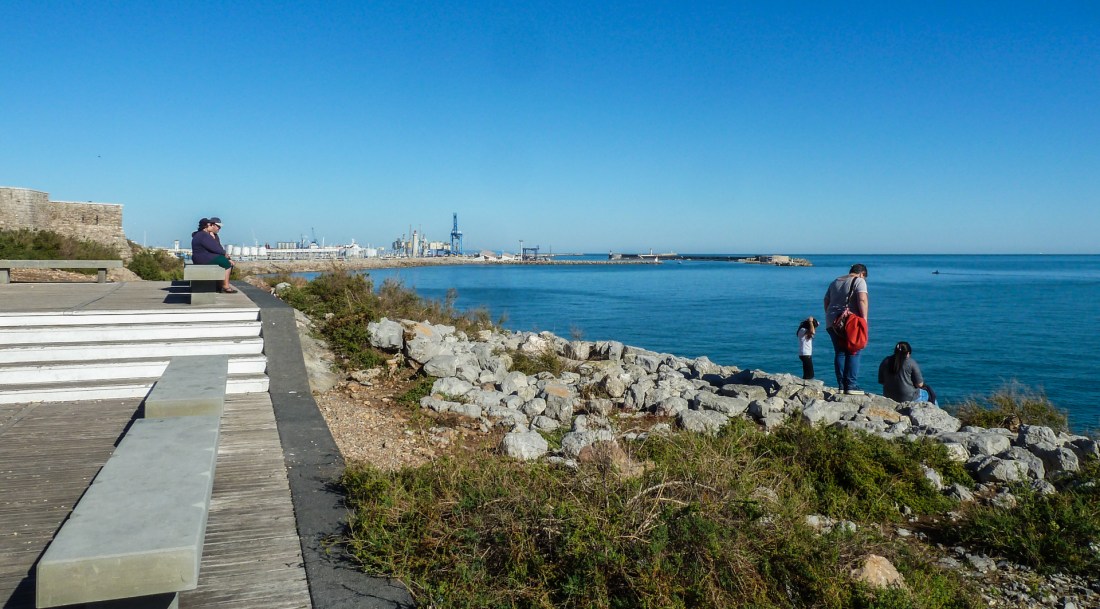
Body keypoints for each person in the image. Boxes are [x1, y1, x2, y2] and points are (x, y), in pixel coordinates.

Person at [823, 263, 868, 394]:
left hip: (832, 322)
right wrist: (864, 319)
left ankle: (842, 386)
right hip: (850, 321)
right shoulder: (859, 281)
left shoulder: (835, 281)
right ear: (862, 274)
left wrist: (832, 315)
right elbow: (862, 300)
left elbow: (826, 301)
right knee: (854, 350)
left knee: (840, 352)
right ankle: (851, 385)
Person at [190, 217, 237, 293]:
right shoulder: (204, 235)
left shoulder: (201, 234)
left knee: (223, 261)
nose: (212, 226)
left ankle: (219, 285)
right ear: (206, 226)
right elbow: (216, 248)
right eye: (210, 225)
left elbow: (216, 248)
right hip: (203, 258)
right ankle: (225, 286)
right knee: (226, 263)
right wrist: (227, 257)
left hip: (201, 258)